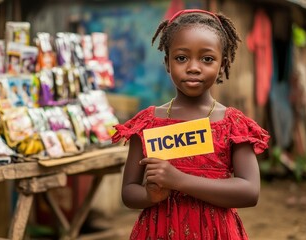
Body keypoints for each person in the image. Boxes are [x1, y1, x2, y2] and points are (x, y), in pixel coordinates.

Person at [112, 9, 270, 239]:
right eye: (181, 58)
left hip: (215, 232)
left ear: (222, 64)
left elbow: (250, 192)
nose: (193, 67)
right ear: (167, 62)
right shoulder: (148, 123)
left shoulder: (232, 125)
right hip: (160, 231)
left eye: (207, 59)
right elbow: (128, 192)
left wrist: (179, 180)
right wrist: (149, 196)